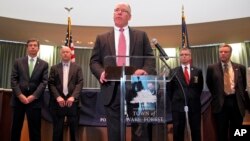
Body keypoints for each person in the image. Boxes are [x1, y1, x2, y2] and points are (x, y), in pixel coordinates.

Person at [89, 2, 156, 141]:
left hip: (136, 87)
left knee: (140, 131)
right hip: (111, 89)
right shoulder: (101, 38)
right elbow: (94, 62)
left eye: (123, 11)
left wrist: (144, 70)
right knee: (114, 132)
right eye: (116, 10)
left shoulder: (141, 35)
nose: (119, 12)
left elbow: (150, 58)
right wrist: (101, 72)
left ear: (130, 16)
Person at [206, 44, 247, 141]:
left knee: (237, 132)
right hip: (221, 104)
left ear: (230, 53)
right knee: (221, 131)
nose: (223, 54)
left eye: (226, 52)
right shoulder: (212, 68)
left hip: (236, 103)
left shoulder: (240, 67)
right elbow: (210, 84)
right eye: (221, 52)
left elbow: (243, 85)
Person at [10, 39, 49, 141]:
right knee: (15, 129)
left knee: (35, 131)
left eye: (35, 45)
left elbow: (44, 82)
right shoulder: (18, 62)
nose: (32, 47)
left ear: (38, 48)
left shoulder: (44, 64)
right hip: (18, 100)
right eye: (30, 45)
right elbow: (13, 79)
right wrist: (19, 95)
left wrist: (33, 96)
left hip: (35, 102)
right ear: (27, 48)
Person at [167, 48, 204, 141]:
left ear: (190, 56)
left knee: (196, 130)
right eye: (181, 54)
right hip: (178, 107)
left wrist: (193, 97)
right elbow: (169, 89)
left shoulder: (197, 71)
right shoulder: (173, 71)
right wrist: (177, 99)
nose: (184, 56)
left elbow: (200, 88)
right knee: (178, 132)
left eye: (186, 54)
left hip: (194, 107)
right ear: (179, 57)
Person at [48, 46, 83, 141]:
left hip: (73, 103)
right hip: (58, 103)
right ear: (60, 54)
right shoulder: (54, 68)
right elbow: (51, 84)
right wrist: (58, 97)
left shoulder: (77, 68)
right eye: (63, 52)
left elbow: (80, 83)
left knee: (74, 132)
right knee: (57, 132)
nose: (65, 53)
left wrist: (73, 97)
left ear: (71, 54)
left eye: (67, 52)